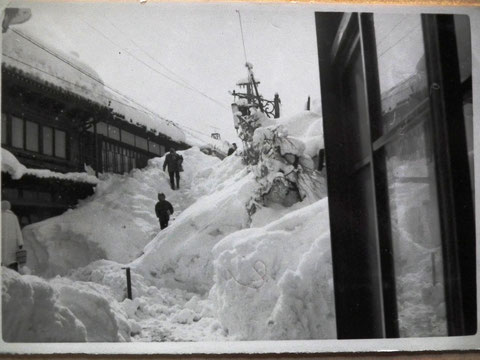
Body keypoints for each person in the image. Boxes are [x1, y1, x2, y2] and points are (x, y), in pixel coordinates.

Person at [1, 201, 24, 272]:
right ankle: (13, 274)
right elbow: (18, 230)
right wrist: (20, 243)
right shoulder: (14, 217)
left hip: (2, 241)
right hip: (12, 242)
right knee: (12, 260)